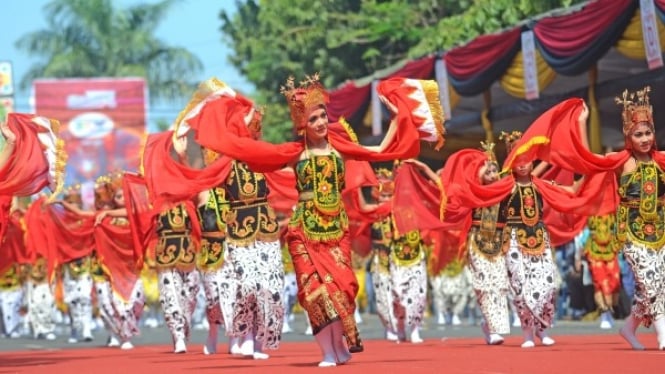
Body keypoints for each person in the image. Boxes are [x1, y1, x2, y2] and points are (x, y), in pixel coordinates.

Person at [186, 74, 444, 366]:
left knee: (342, 288)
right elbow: (249, 151)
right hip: (304, 231)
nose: (321, 123)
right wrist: (233, 125)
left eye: (323, 116)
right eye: (314, 119)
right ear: (302, 125)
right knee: (312, 292)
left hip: (336, 230)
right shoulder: (295, 153)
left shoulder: (339, 148)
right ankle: (327, 352)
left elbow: (380, 150)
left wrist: (397, 118)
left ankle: (338, 344)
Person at [583, 214, 621, 329]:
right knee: (601, 282)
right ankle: (604, 314)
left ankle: (610, 310)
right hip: (594, 250)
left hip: (610, 248)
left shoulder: (612, 205)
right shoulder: (590, 207)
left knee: (615, 282)